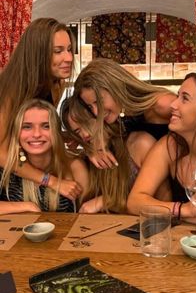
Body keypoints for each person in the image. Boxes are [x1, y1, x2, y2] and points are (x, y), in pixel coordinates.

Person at [73, 58, 196, 175]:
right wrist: (92, 149)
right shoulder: (120, 114)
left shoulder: (162, 105)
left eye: (99, 102)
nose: (96, 112)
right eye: (90, 106)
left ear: (116, 88)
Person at [127, 71, 196, 233]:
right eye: (178, 96)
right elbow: (135, 201)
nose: (173, 105)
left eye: (184, 98)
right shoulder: (170, 146)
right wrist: (183, 209)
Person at [0, 18, 81, 201]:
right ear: (38, 54)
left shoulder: (55, 84)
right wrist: (51, 181)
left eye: (69, 50)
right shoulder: (9, 91)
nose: (68, 58)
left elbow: (41, 128)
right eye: (58, 51)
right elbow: (2, 153)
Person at [61, 96, 169, 213]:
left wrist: (109, 201)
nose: (85, 134)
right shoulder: (89, 158)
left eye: (88, 123)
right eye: (78, 131)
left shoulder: (141, 144)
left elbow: (164, 204)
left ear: (102, 115)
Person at [0, 99, 89, 214]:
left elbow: (87, 216)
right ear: (17, 132)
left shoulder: (74, 167)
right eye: (27, 127)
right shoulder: (6, 166)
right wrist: (27, 206)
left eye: (46, 126)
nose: (37, 134)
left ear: (57, 132)